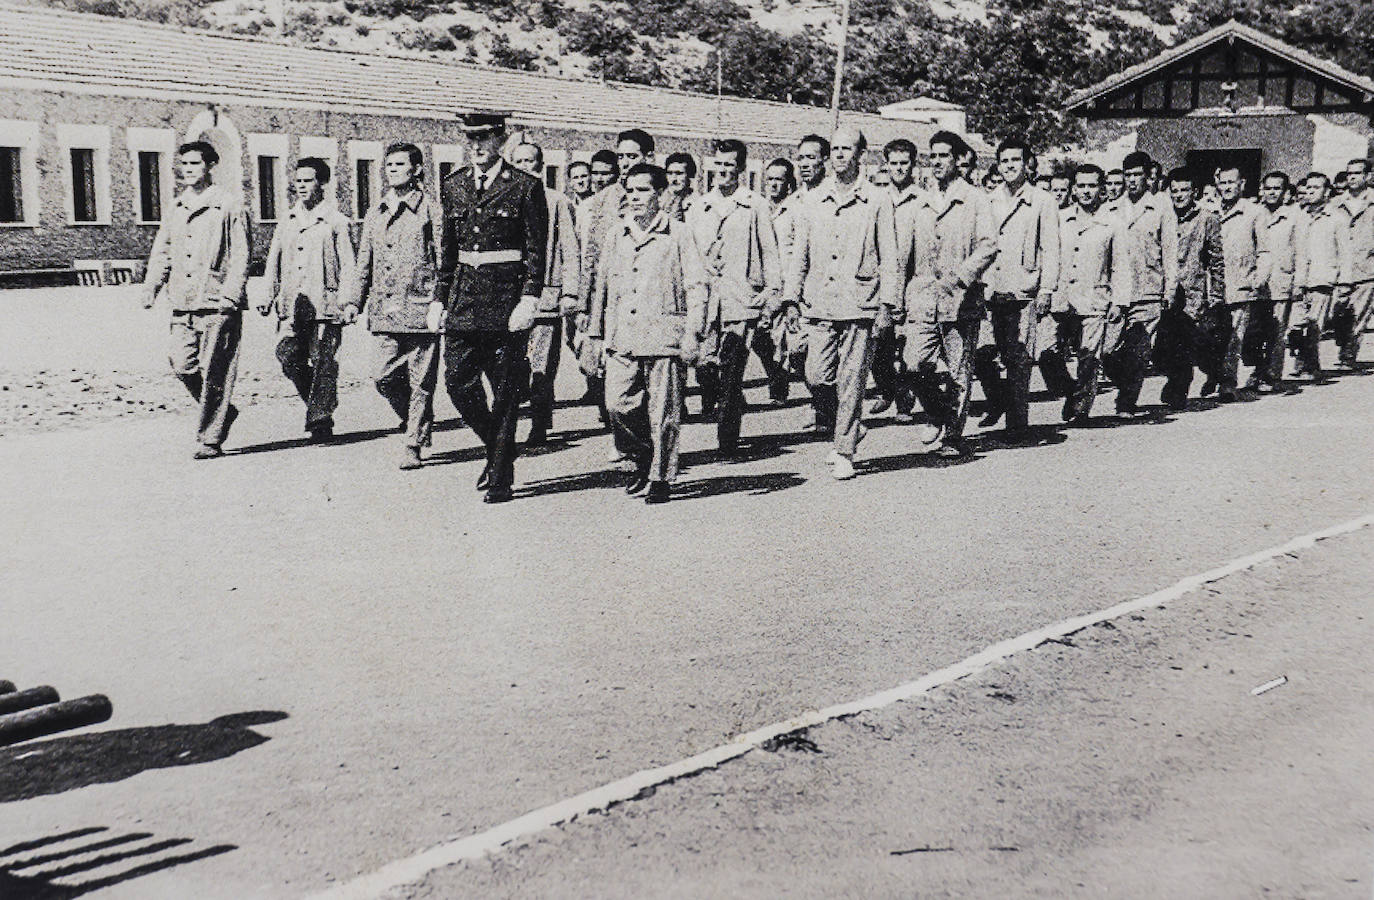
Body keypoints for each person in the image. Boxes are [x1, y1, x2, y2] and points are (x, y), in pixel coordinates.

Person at [437, 111, 548, 504]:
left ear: (501, 139)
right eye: (469, 139)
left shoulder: (524, 187)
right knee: (457, 383)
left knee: (504, 394)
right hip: (464, 302)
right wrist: (439, 296)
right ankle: (499, 448)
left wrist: (530, 298)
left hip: (505, 305)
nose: (476, 146)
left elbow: (536, 250)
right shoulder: (454, 185)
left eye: (483, 138)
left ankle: (501, 478)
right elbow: (449, 249)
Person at [588, 164, 709, 504]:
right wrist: (595, 335)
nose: (634, 197)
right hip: (622, 336)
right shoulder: (616, 234)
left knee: (664, 413)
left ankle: (661, 476)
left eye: (642, 190)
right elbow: (603, 288)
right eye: (629, 190)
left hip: (664, 335)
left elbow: (697, 285)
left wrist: (692, 333)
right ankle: (642, 457)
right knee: (617, 405)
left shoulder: (679, 233)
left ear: (660, 194)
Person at [785, 125, 899, 480]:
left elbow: (890, 258)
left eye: (846, 149)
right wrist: (791, 298)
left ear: (860, 155)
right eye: (834, 149)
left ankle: (844, 448)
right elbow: (799, 255)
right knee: (816, 375)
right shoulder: (812, 200)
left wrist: (886, 306)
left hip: (859, 303)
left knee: (852, 380)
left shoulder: (878, 200)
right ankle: (848, 426)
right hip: (819, 303)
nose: (838, 155)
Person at [142, 140, 249, 459]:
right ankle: (222, 412)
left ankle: (210, 438)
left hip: (217, 301)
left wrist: (232, 292)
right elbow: (162, 250)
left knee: (217, 370)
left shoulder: (229, 205)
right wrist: (152, 285)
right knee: (182, 364)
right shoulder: (176, 207)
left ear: (210, 166)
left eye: (194, 164)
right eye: (183, 164)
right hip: (183, 301)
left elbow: (241, 254)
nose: (187, 170)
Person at [341, 142, 445, 470]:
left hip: (421, 309)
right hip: (386, 310)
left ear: (416, 170)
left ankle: (413, 441)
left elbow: (444, 261)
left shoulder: (431, 210)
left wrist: (442, 302)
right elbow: (364, 264)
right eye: (389, 165)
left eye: (401, 165)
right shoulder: (377, 212)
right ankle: (416, 418)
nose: (393, 170)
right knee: (382, 375)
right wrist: (353, 301)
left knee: (422, 382)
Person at [903, 130, 997, 457]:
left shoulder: (976, 199)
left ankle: (953, 437)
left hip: (961, 301)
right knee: (913, 364)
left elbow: (988, 246)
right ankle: (936, 410)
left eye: (944, 156)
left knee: (959, 370)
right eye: (933, 156)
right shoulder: (922, 200)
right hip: (924, 298)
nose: (938, 162)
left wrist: (961, 277)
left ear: (959, 160)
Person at [686, 139, 782, 455]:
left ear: (740, 168)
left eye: (730, 165)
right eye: (719, 164)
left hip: (741, 299)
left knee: (731, 366)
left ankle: (727, 440)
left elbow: (770, 252)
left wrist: (772, 293)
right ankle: (733, 402)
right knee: (704, 367)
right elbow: (689, 254)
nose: (723, 171)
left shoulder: (755, 205)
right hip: (706, 300)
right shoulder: (698, 206)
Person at [260, 157, 356, 442]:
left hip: (326, 304)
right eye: (298, 181)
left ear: (322, 183)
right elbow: (274, 260)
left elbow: (348, 264)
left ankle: (320, 419)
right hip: (292, 305)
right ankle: (319, 407)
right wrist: (268, 293)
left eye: (308, 180)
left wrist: (348, 301)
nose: (301, 186)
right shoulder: (287, 221)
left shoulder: (337, 222)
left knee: (324, 362)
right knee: (287, 355)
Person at [976, 135, 1059, 436]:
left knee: (1019, 357)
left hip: (1023, 288)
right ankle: (998, 399)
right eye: (1004, 161)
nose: (1009, 166)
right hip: (990, 288)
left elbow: (1050, 248)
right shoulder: (987, 200)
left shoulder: (1042, 201)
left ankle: (1017, 423)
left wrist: (1047, 288)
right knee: (982, 351)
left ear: (1027, 165)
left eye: (1015, 161)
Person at [1047, 164, 1132, 423]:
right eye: (1081, 186)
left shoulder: (1113, 223)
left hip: (1095, 298)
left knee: (1089, 357)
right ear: (1073, 189)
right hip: (1062, 298)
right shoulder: (1060, 219)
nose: (1086, 191)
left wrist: (1119, 301)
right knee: (1046, 352)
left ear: (1102, 188)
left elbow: (1120, 265)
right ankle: (1070, 390)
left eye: (1092, 186)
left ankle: (1081, 407)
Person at [510, 140, 580, 445]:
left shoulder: (556, 202)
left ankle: (538, 424)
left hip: (546, 299)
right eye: (519, 162)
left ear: (541, 166)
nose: (525, 167)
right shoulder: (504, 199)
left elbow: (570, 250)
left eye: (531, 162)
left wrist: (570, 292)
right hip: (510, 299)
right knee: (513, 366)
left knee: (541, 367)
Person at [1100, 150, 1176, 417]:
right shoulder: (1110, 208)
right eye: (1127, 175)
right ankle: (1124, 383)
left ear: (1148, 177)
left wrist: (1169, 288)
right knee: (1106, 350)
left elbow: (1169, 250)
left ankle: (1126, 402)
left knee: (1138, 351)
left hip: (1148, 288)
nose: (1131, 181)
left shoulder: (1161, 207)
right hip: (1115, 292)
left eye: (1137, 175)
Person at [1155, 167, 1226, 410]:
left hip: (1192, 293)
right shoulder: (1162, 216)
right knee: (1162, 348)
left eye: (1184, 190)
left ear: (1194, 191)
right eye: (1174, 191)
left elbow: (1216, 260)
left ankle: (1179, 388)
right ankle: (1178, 378)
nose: (1179, 195)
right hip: (1165, 290)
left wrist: (1217, 295)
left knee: (1184, 344)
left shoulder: (1207, 219)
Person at [868, 138, 921, 422]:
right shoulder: (877, 198)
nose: (899, 169)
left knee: (908, 348)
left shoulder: (921, 200)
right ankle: (889, 389)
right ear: (886, 165)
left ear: (913, 165)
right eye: (894, 164)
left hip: (912, 281)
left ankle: (904, 398)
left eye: (904, 163)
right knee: (878, 344)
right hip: (883, 282)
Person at [1213, 165, 1270, 401]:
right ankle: (1214, 374)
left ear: (1242, 184)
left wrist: (1259, 278)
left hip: (1241, 284)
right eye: (1222, 183)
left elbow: (1265, 250)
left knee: (1234, 337)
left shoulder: (1255, 213)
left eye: (1231, 182)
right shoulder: (1209, 211)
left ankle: (1227, 383)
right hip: (1213, 287)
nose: (1226, 187)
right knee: (1210, 337)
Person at [1246, 171, 1300, 391]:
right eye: (1268, 188)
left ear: (1285, 192)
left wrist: (1299, 282)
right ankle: (1258, 369)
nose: (1271, 193)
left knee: (1276, 333)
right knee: (1254, 332)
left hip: (1281, 281)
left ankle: (1270, 374)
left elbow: (1301, 252)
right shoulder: (1254, 214)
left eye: (1276, 188)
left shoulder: (1294, 218)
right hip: (1258, 283)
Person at [1291, 172, 1345, 380]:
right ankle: (1301, 360)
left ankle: (1310, 366)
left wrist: (1344, 281)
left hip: (1322, 278)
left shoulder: (1336, 219)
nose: (1310, 192)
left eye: (1316, 188)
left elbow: (1345, 252)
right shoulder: (1298, 216)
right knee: (1296, 324)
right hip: (1299, 278)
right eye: (1308, 188)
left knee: (1315, 326)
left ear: (1327, 191)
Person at [757, 157, 801, 404]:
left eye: (779, 180)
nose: (773, 185)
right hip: (764, 284)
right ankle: (777, 377)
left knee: (788, 343)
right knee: (761, 340)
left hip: (787, 283)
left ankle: (783, 388)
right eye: (769, 179)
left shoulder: (795, 211)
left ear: (789, 183)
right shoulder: (759, 210)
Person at [1332, 157, 1374, 366]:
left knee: (1358, 314)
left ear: (1368, 176)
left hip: (1366, 267)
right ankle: (1342, 346)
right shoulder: (1335, 203)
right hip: (1338, 268)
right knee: (1338, 313)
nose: (1352, 178)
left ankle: (1348, 354)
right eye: (1349, 174)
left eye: (1357, 174)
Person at [663, 152, 697, 221]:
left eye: (679, 173)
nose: (673, 179)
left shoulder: (698, 204)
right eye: (670, 173)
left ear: (690, 175)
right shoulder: (660, 201)